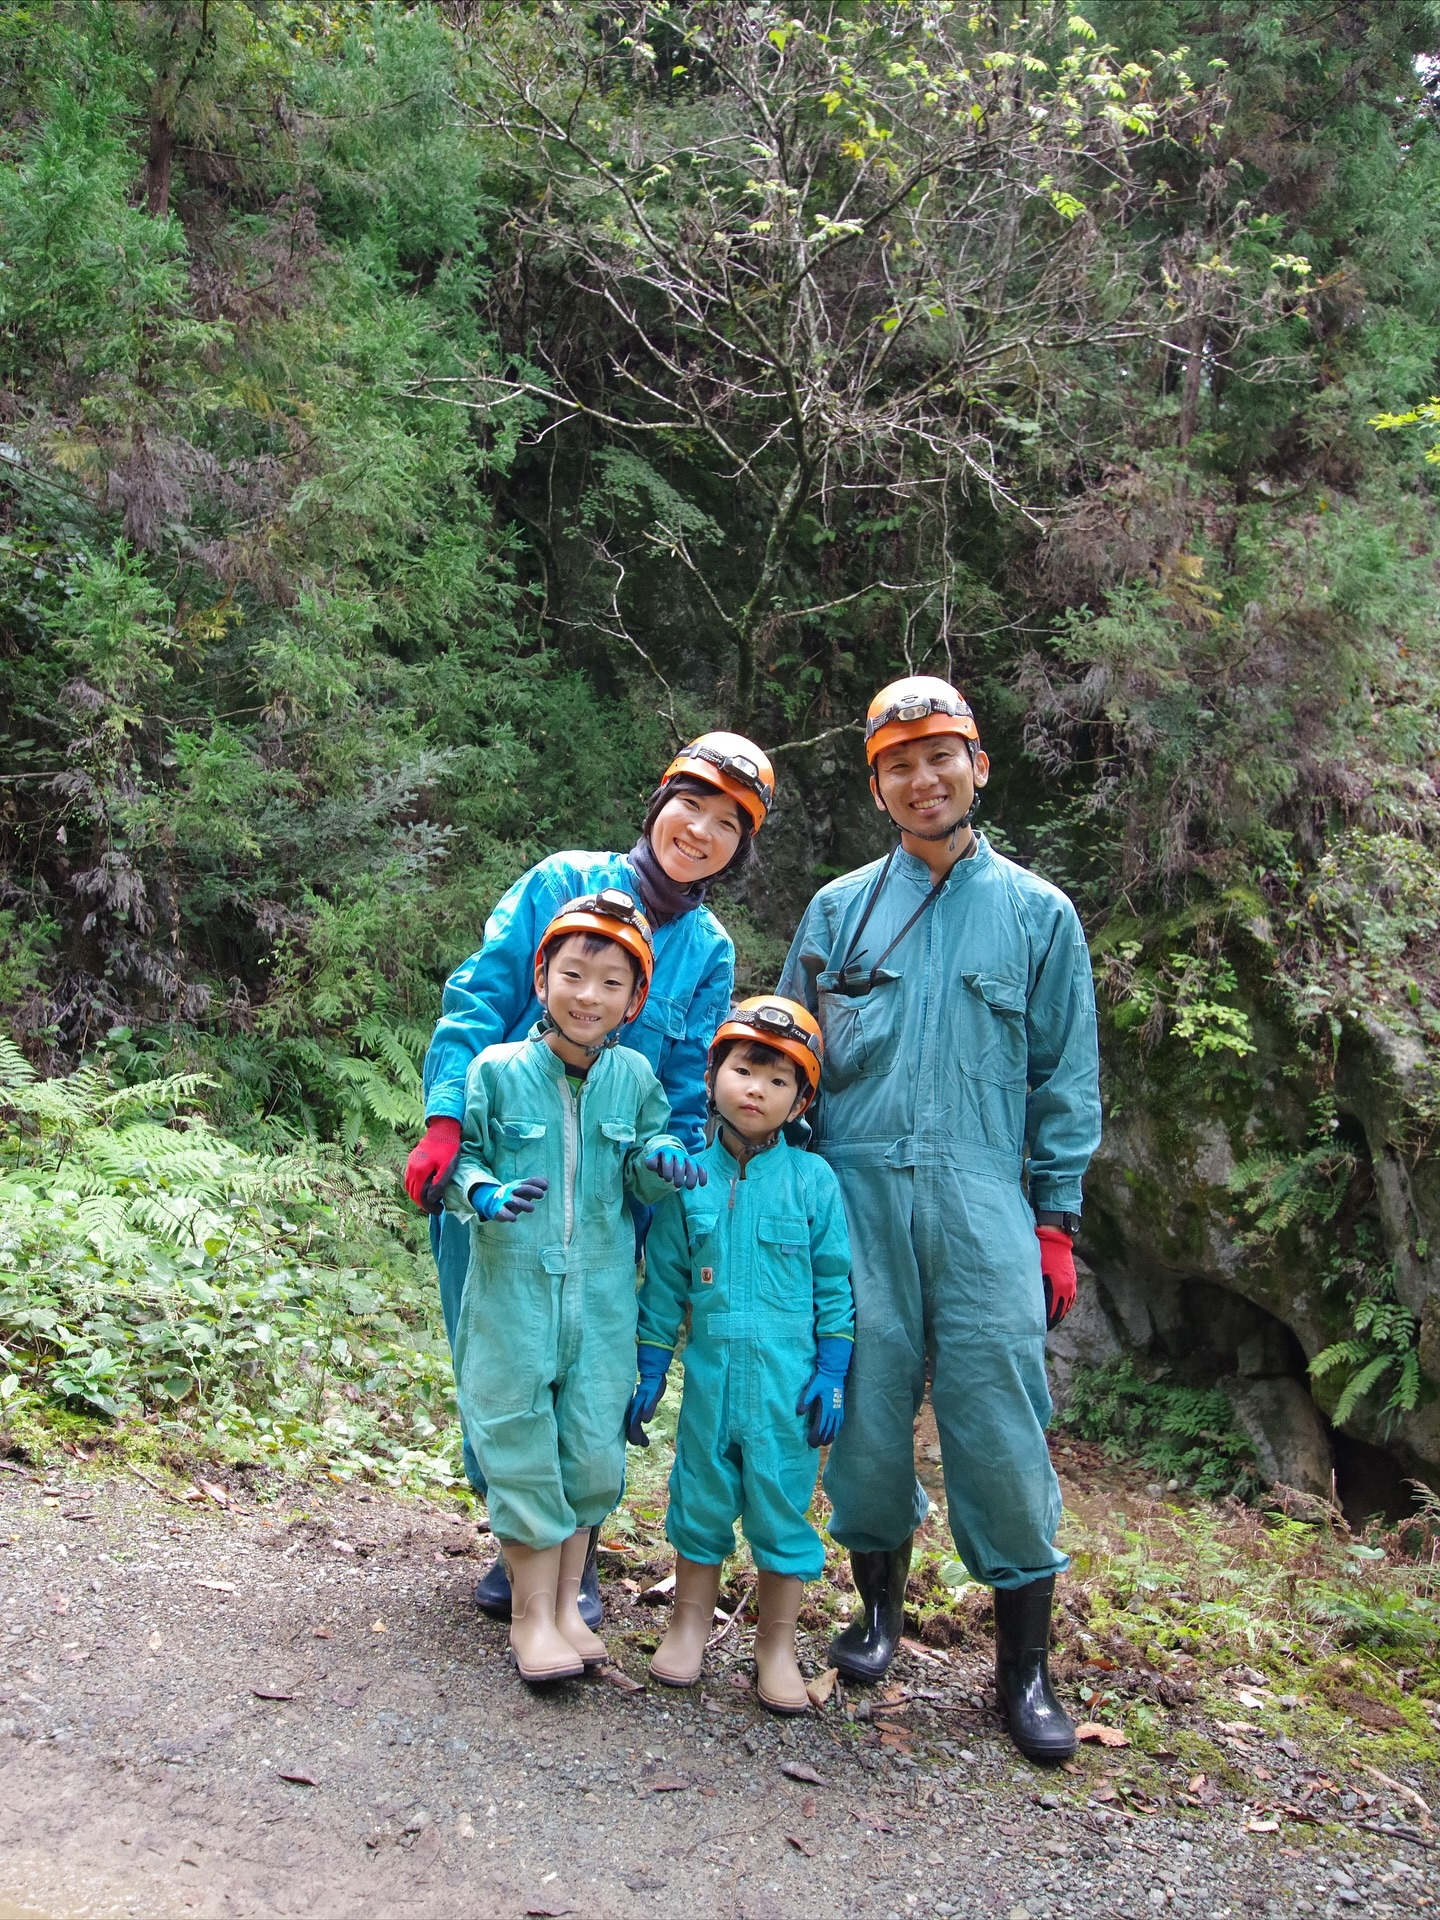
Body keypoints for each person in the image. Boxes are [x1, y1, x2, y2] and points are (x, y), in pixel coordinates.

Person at [777, 676, 1101, 1762]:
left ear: (978, 767)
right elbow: (785, 1060)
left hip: (984, 1200)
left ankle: (1025, 1671)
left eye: (940, 758)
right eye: (899, 766)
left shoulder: (1040, 916)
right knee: (864, 1409)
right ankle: (877, 1612)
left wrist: (1054, 1223)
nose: (923, 781)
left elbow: (1064, 1080)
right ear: (877, 788)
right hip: (853, 1196)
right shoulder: (837, 911)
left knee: (1001, 1420)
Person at [403, 732, 775, 1625]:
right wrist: (446, 1120)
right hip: (502, 1178)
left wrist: (677, 1166)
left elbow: (687, 1080)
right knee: (503, 1362)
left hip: (613, 1198)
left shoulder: (709, 949)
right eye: (692, 805)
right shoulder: (560, 881)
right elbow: (480, 996)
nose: (702, 831)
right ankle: (518, 1539)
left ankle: (577, 1552)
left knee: (592, 1372)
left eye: (729, 824)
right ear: (659, 803)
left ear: (740, 849)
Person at [443, 889, 706, 1683]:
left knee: (591, 1451)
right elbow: (459, 1161)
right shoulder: (495, 1071)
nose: (589, 996)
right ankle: (531, 1618)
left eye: (611, 983)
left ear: (635, 1000)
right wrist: (481, 1191)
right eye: (573, 975)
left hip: (602, 1299)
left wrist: (660, 1164)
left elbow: (640, 1168)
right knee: (519, 1443)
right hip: (512, 1295)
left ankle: (565, 1608)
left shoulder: (635, 1077)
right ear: (542, 978)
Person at [626, 997, 854, 1713]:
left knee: (782, 1508)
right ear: (712, 1075)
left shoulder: (814, 1182)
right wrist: (651, 1367)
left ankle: (776, 1646)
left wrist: (833, 1371)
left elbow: (835, 1284)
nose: (757, 1090)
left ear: (801, 1101)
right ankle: (689, 1624)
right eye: (744, 1070)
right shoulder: (687, 1180)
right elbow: (664, 1286)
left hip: (788, 1389)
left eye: (779, 1081)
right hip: (712, 1382)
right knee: (699, 1498)